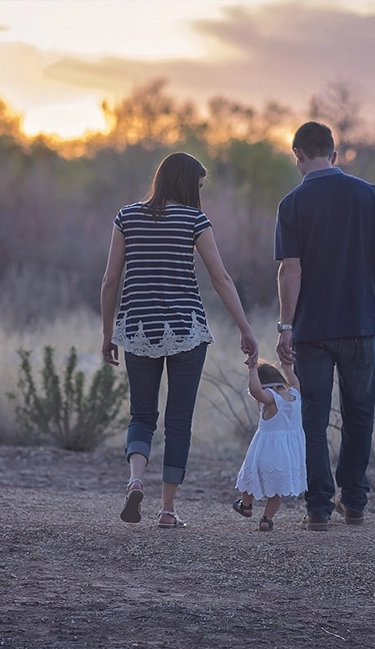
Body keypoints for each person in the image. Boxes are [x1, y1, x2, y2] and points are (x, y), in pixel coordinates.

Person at [101, 152, 258, 528]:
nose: (200, 193)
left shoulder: (127, 217)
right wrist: (245, 328)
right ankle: (167, 510)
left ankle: (136, 479)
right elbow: (220, 279)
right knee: (179, 421)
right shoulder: (194, 220)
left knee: (141, 415)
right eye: (199, 185)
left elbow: (110, 280)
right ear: (187, 184)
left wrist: (108, 334)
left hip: (137, 329)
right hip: (187, 330)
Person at [275, 121, 375, 531]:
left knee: (313, 418)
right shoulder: (367, 193)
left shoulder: (292, 203)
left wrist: (285, 325)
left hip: (312, 332)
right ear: (334, 154)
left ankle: (317, 508)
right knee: (359, 414)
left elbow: (289, 270)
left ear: (297, 156)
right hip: (360, 326)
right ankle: (354, 501)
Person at [233, 359, 306, 531]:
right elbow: (295, 382)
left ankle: (246, 505)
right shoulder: (295, 395)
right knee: (276, 489)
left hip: (266, 450)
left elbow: (256, 391)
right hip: (288, 453)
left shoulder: (271, 399)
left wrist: (252, 370)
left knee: (249, 477)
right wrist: (287, 368)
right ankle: (266, 519)